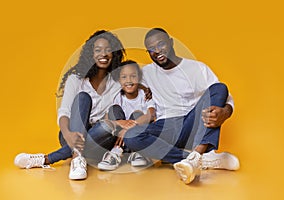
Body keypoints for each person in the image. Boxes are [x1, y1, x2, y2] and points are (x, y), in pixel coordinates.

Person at [122, 28, 240, 184]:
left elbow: (223, 96)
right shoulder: (146, 73)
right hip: (166, 127)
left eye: (161, 44)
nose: (157, 51)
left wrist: (225, 111)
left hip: (194, 123)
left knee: (220, 87)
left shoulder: (197, 68)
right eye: (151, 49)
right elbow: (125, 85)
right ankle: (200, 159)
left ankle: (197, 153)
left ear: (171, 43)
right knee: (131, 135)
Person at [14, 30, 127, 180]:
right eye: (98, 50)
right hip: (72, 134)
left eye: (108, 50)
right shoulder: (76, 79)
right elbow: (64, 112)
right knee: (83, 98)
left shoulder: (117, 82)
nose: (104, 54)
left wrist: (144, 90)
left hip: (100, 139)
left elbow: (123, 105)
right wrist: (68, 134)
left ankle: (46, 159)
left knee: (111, 119)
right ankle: (77, 157)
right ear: (91, 54)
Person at [97, 60, 156, 171]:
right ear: (119, 80)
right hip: (118, 137)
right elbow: (106, 119)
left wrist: (131, 127)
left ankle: (137, 152)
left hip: (137, 136)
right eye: (124, 77)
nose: (128, 80)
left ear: (139, 78)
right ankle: (115, 153)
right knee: (114, 109)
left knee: (137, 114)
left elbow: (151, 114)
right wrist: (120, 123)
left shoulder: (145, 95)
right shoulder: (117, 96)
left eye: (133, 76)